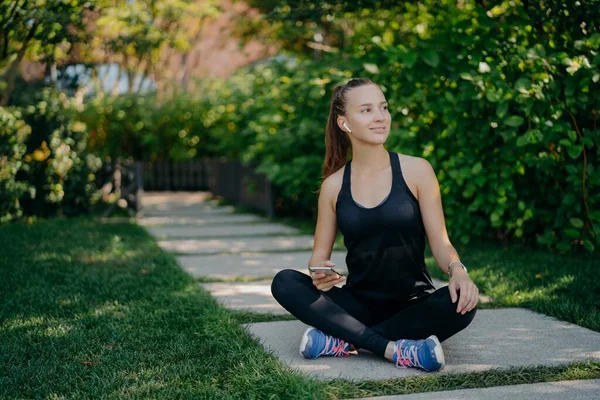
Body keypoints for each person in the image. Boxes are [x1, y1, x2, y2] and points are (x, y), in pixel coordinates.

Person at [271, 78, 478, 372]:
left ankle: (345, 341)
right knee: (285, 282)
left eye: (383, 107)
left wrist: (459, 272)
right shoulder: (333, 186)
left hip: (412, 304)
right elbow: (319, 256)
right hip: (357, 303)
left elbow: (441, 242)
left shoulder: (417, 170)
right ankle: (396, 349)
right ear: (345, 124)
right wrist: (320, 274)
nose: (380, 117)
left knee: (462, 303)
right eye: (367, 110)